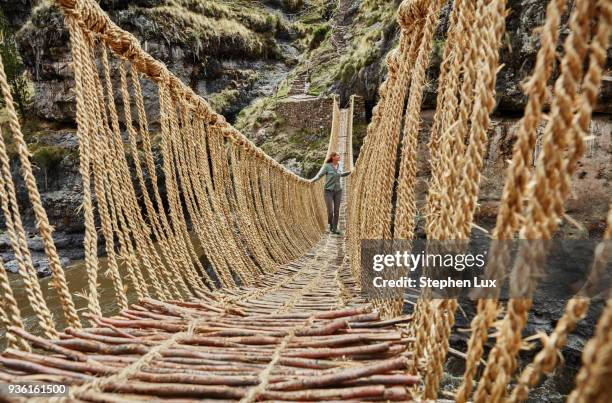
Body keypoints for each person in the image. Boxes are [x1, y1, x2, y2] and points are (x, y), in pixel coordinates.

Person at [312, 152, 351, 235]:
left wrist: (349, 172)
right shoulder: (327, 166)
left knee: (337, 211)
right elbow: (319, 175)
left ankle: (334, 228)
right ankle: (331, 224)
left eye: (339, 155)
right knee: (330, 211)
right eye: (337, 155)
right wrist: (312, 180)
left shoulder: (340, 165)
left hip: (338, 191)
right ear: (333, 157)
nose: (339, 157)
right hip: (328, 191)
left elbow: (341, 174)